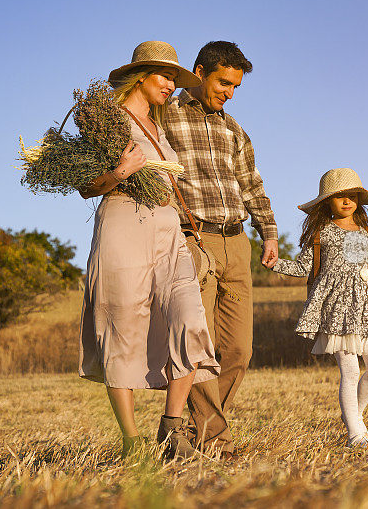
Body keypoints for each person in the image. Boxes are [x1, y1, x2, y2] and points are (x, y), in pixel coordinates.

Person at [78, 41, 220, 459]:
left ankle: (171, 429)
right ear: (140, 75)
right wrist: (121, 171)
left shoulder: (160, 128)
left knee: (190, 320)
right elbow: (85, 186)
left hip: (168, 230)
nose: (171, 85)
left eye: (175, 79)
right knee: (121, 325)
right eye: (165, 76)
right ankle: (130, 441)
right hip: (123, 224)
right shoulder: (108, 122)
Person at [163, 41, 278, 457]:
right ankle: (215, 440)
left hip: (237, 241)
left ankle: (203, 429)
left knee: (238, 349)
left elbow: (252, 184)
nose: (229, 92)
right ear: (199, 72)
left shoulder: (234, 130)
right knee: (200, 347)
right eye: (223, 83)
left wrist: (269, 232)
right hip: (194, 239)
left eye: (235, 87)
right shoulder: (165, 118)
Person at [270, 168, 368, 447]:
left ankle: (353, 415)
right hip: (337, 307)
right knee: (350, 371)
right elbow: (303, 267)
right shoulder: (322, 233)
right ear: (327, 202)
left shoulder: (367, 234)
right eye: (339, 196)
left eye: (352, 196)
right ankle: (355, 433)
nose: (347, 201)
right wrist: (275, 263)